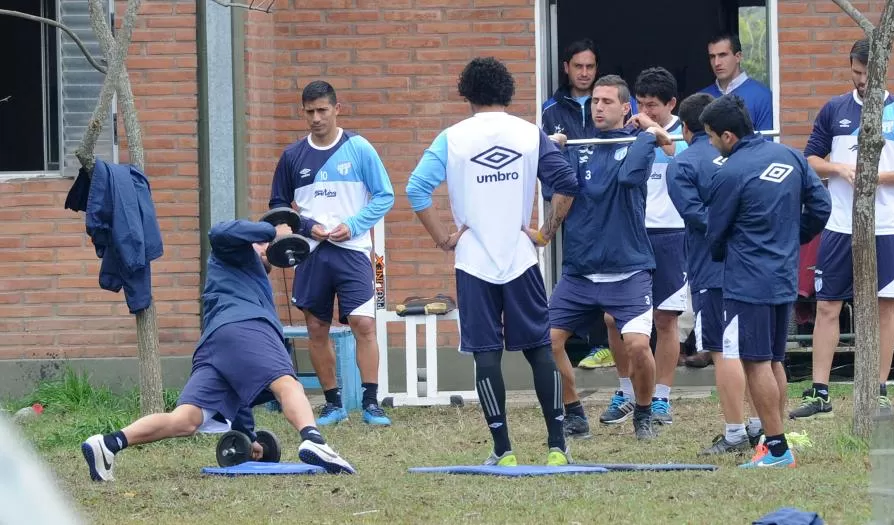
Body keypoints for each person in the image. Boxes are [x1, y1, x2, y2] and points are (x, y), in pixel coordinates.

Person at [81, 220, 356, 481]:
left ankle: (108, 444)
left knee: (186, 420)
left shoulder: (246, 275)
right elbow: (219, 231)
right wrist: (271, 230)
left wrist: (247, 436)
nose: (265, 248)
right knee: (286, 383)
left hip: (217, 345)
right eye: (259, 244)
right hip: (244, 328)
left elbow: (241, 388)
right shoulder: (230, 251)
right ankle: (314, 440)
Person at [405, 57, 579, 466]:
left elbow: (416, 190)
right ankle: (557, 447)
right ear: (508, 91)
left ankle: (503, 451)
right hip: (521, 257)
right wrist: (544, 233)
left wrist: (444, 238)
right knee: (539, 349)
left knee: (486, 354)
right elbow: (567, 184)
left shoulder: (451, 138)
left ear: (466, 94)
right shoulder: (528, 134)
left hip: (473, 261)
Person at [791, 38, 894, 419]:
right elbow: (809, 161)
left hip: (885, 227)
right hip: (838, 225)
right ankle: (820, 392)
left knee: (885, 308)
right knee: (826, 306)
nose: (861, 81)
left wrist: (877, 177)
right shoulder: (834, 108)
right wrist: (838, 168)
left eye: (868, 74)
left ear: (884, 69)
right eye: (855, 73)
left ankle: (880, 390)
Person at [703, 94, 831, 468]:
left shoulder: (729, 172)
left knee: (755, 362)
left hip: (747, 280)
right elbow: (820, 207)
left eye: (711, 136)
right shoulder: (790, 155)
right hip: (783, 275)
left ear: (728, 135)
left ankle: (776, 449)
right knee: (774, 359)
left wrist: (722, 254)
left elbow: (715, 232)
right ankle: (778, 440)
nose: (711, 143)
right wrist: (792, 238)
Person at [548, 74, 670, 440]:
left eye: (606, 102)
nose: (598, 107)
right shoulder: (578, 147)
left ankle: (644, 412)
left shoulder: (638, 143)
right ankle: (573, 413)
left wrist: (649, 133)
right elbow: (555, 187)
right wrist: (551, 151)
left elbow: (631, 178)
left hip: (628, 269)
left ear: (625, 108)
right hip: (581, 271)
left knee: (637, 346)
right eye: (595, 102)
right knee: (546, 341)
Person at [269, 80, 395, 427]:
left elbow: (385, 196)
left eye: (322, 110)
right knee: (316, 327)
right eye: (309, 111)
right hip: (311, 252)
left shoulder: (359, 148)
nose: (316, 118)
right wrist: (305, 227)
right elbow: (279, 206)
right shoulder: (293, 156)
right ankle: (332, 403)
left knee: (363, 324)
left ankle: (372, 403)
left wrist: (353, 225)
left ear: (337, 109)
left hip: (352, 249)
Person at [667, 92, 764, 454]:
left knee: (724, 350)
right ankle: (761, 426)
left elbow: (697, 218)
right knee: (757, 351)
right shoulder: (744, 154)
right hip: (754, 265)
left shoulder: (684, 164)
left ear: (687, 127)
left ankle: (736, 431)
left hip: (712, 266)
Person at [599, 67, 689, 427]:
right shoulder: (628, 133)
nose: (645, 112)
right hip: (631, 235)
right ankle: (625, 390)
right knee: (612, 317)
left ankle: (662, 399)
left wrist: (655, 133)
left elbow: (689, 167)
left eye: (653, 106)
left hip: (671, 235)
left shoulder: (685, 134)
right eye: (641, 104)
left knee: (665, 319)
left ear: (671, 104)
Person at [541, 38, 634, 371]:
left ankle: (604, 347)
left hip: (609, 201)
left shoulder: (616, 102)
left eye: (590, 67)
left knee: (611, 272)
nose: (584, 73)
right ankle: (586, 343)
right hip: (571, 201)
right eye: (578, 66)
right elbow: (548, 161)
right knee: (580, 271)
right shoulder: (551, 109)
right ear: (566, 68)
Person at [699, 33, 774, 131]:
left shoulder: (762, 96)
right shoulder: (701, 98)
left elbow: (766, 143)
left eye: (722, 55)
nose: (716, 63)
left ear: (738, 57)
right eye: (712, 57)